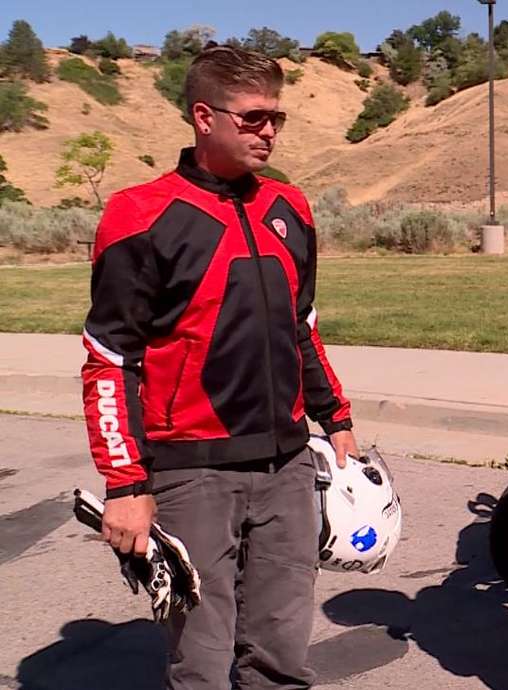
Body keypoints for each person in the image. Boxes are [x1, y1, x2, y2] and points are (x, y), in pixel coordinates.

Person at [81, 45, 357, 690]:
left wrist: (332, 414)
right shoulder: (140, 214)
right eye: (254, 118)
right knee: (201, 664)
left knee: (282, 657)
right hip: (191, 472)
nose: (270, 131)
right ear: (205, 118)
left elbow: (301, 325)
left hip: (287, 466)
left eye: (277, 119)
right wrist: (125, 484)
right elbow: (109, 357)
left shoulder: (290, 206)